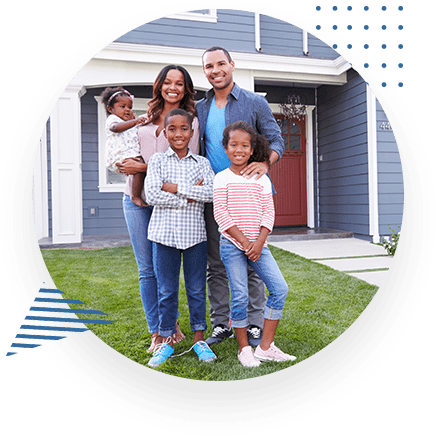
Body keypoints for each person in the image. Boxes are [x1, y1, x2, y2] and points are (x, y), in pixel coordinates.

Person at [196, 46, 285, 347]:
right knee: (217, 262)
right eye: (209, 66)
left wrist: (266, 162)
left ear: (232, 65)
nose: (215, 70)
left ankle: (255, 324)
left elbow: (276, 140)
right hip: (217, 195)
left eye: (221, 63)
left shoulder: (255, 102)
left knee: (253, 259)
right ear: (205, 71)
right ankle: (221, 324)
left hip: (251, 194)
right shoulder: (200, 107)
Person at [116, 66, 200, 353]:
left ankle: (170, 324)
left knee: (167, 269)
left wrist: (140, 166)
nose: (172, 87)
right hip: (135, 200)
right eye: (167, 82)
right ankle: (159, 330)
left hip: (167, 204)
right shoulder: (143, 118)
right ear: (159, 85)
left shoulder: (191, 122)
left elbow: (185, 167)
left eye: (179, 83)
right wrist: (125, 163)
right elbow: (126, 152)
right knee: (146, 269)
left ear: (186, 88)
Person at [213, 121, 296, 367]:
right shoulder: (221, 178)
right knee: (239, 295)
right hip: (232, 244)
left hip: (259, 245)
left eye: (244, 145)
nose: (239, 149)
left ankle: (265, 347)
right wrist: (246, 242)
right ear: (225, 148)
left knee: (279, 289)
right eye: (233, 144)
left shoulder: (262, 178)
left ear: (252, 149)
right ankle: (244, 349)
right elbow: (221, 215)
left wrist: (259, 243)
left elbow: (268, 213)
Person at [145, 109, 216, 368]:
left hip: (195, 236)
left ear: (192, 132)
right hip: (163, 236)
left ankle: (199, 339)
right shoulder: (157, 161)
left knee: (197, 289)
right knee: (166, 290)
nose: (178, 134)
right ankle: (165, 340)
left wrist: (174, 188)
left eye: (184, 128)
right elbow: (152, 194)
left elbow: (210, 193)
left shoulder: (202, 164)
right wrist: (189, 194)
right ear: (165, 132)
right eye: (172, 129)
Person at [101, 87, 148, 207]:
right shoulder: (113, 119)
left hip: (129, 153)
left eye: (130, 107)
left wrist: (133, 121)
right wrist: (134, 121)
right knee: (139, 167)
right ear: (111, 109)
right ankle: (135, 196)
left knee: (139, 167)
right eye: (123, 107)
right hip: (120, 155)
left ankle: (136, 194)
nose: (127, 110)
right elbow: (115, 128)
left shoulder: (129, 122)